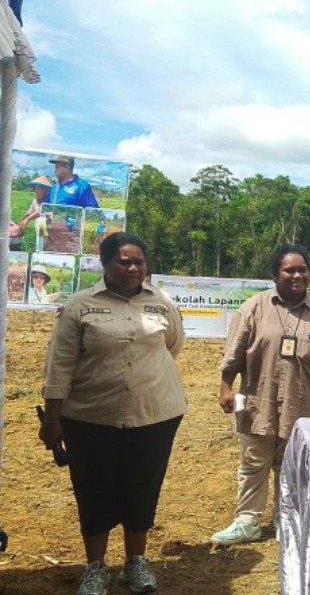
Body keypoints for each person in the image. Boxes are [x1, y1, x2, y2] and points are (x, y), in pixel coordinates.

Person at [39, 232, 186, 595]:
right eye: (123, 262)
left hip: (154, 415)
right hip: (90, 419)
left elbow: (172, 345)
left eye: (139, 262)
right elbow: (60, 365)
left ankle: (135, 563)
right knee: (94, 491)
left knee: (142, 489)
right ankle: (95, 568)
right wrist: (53, 420)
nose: (132, 268)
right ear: (105, 264)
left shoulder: (162, 302)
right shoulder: (80, 306)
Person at [212, 243, 310, 545]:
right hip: (259, 400)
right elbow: (234, 352)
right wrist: (226, 385)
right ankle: (247, 521)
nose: (297, 275)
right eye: (289, 270)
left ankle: (287, 518)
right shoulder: (254, 308)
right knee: (254, 461)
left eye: (302, 269)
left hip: (304, 401)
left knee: (293, 465)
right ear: (275, 274)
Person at [9, 174, 50, 250]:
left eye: (38, 188)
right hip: (39, 233)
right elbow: (28, 214)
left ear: (45, 190)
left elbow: (40, 211)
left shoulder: (49, 203)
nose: (36, 191)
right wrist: (19, 225)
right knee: (39, 250)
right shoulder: (35, 201)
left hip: (48, 234)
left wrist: (28, 219)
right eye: (35, 188)